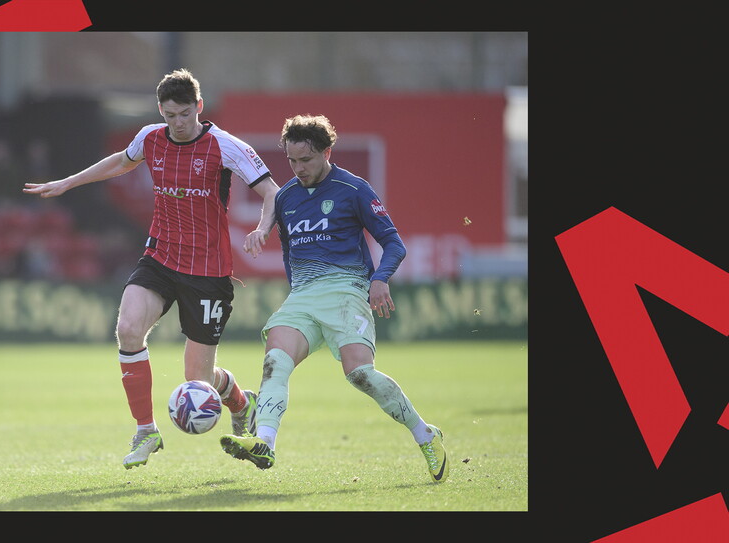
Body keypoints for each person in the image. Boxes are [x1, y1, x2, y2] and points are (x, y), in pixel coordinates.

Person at [23, 69, 280, 469]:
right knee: (127, 329)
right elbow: (122, 162)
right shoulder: (150, 137)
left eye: (184, 114)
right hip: (160, 257)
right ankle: (146, 431)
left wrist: (263, 228)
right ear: (161, 110)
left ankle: (241, 403)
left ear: (199, 107)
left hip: (208, 271)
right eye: (169, 114)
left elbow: (271, 191)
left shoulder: (225, 146)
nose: (177, 123)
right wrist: (68, 182)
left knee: (197, 379)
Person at [219, 114, 447, 483]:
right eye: (291, 161)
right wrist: (263, 231)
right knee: (275, 361)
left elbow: (394, 244)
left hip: (346, 291)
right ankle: (264, 441)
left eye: (306, 160)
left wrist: (379, 278)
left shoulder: (353, 188)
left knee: (360, 375)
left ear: (327, 151)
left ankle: (425, 434)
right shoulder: (287, 197)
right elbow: (290, 255)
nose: (298, 168)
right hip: (304, 297)